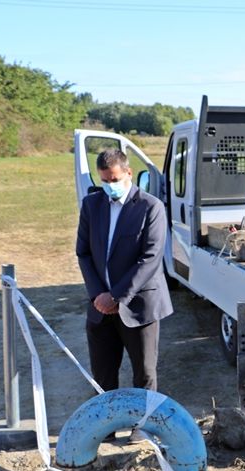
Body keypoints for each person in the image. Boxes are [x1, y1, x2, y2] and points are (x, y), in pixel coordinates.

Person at [76, 149, 173, 393]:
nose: (110, 186)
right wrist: (99, 295)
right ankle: (106, 430)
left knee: (144, 375)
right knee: (102, 376)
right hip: (100, 308)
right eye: (105, 181)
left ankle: (141, 429)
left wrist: (116, 296)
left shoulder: (151, 207)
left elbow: (150, 258)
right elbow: (83, 252)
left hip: (139, 307)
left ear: (129, 173)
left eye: (115, 180)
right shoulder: (91, 205)